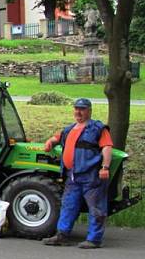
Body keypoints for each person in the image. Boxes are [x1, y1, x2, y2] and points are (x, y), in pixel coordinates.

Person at [42, 98, 114, 248]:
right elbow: (58, 137)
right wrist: (50, 141)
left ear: (89, 111)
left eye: (82, 109)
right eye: (76, 108)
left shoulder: (98, 128)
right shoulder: (69, 129)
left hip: (92, 176)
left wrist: (105, 167)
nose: (78, 112)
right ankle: (62, 235)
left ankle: (94, 239)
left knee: (96, 208)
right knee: (68, 205)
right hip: (72, 176)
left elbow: (107, 147)